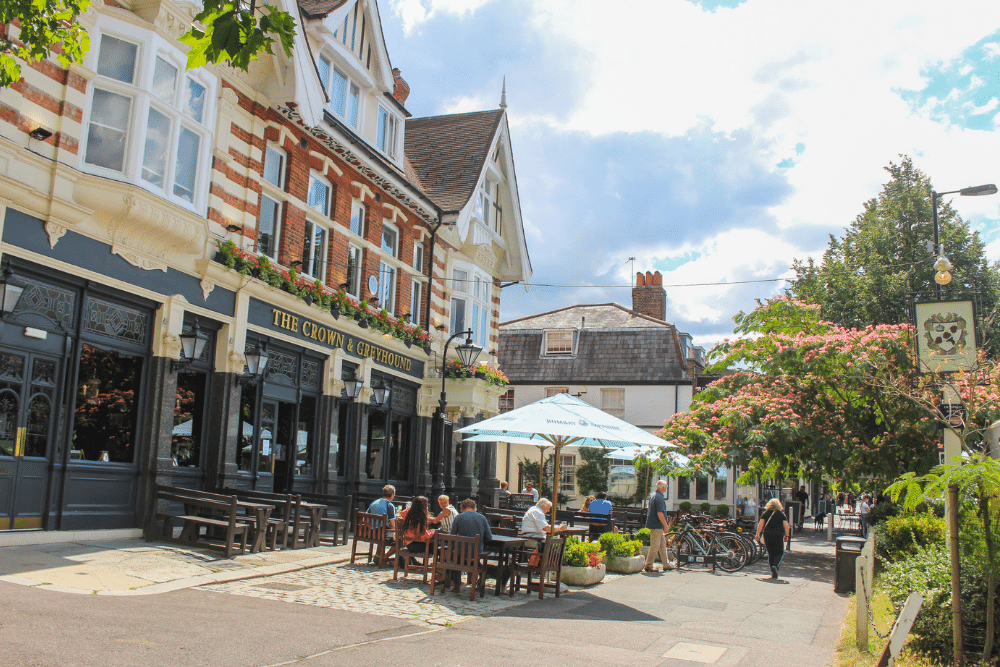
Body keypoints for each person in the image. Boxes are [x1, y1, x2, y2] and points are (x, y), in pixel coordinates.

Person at [448, 498, 494, 593]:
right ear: (475, 508)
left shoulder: (459, 517)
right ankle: (481, 581)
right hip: (475, 553)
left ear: (462, 508)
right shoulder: (482, 518)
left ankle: (457, 584)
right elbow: (489, 537)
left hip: (460, 554)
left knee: (456, 557)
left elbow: (452, 536)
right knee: (476, 560)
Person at [755, 498, 791, 579]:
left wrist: (757, 534)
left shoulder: (765, 513)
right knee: (779, 552)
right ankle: (775, 566)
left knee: (771, 553)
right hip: (778, 534)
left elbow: (760, 524)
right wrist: (787, 536)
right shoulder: (781, 514)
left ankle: (772, 570)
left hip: (767, 534)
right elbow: (786, 526)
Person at [644, 480, 672, 573]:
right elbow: (660, 513)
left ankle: (666, 564)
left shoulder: (653, 495)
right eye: (666, 487)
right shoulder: (659, 497)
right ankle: (648, 564)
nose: (666, 488)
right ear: (663, 487)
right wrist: (665, 525)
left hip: (654, 523)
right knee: (655, 545)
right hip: (656, 524)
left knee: (662, 544)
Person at [397, 496, 435, 563]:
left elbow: (402, 513)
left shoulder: (408, 514)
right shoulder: (421, 518)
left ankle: (415, 562)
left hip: (409, 544)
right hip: (418, 546)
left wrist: (410, 508)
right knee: (437, 546)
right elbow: (425, 537)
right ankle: (438, 566)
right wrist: (432, 533)